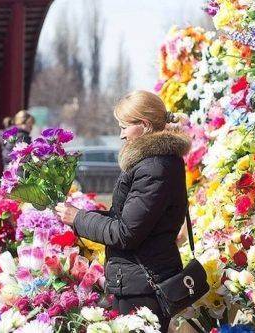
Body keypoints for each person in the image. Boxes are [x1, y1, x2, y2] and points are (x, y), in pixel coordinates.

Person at [55, 90, 191, 332]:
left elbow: (126, 232)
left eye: (124, 127)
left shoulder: (155, 167)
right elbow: (126, 219)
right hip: (138, 279)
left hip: (144, 284)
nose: (120, 135)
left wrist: (79, 218)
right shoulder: (153, 162)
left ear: (145, 125)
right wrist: (85, 215)